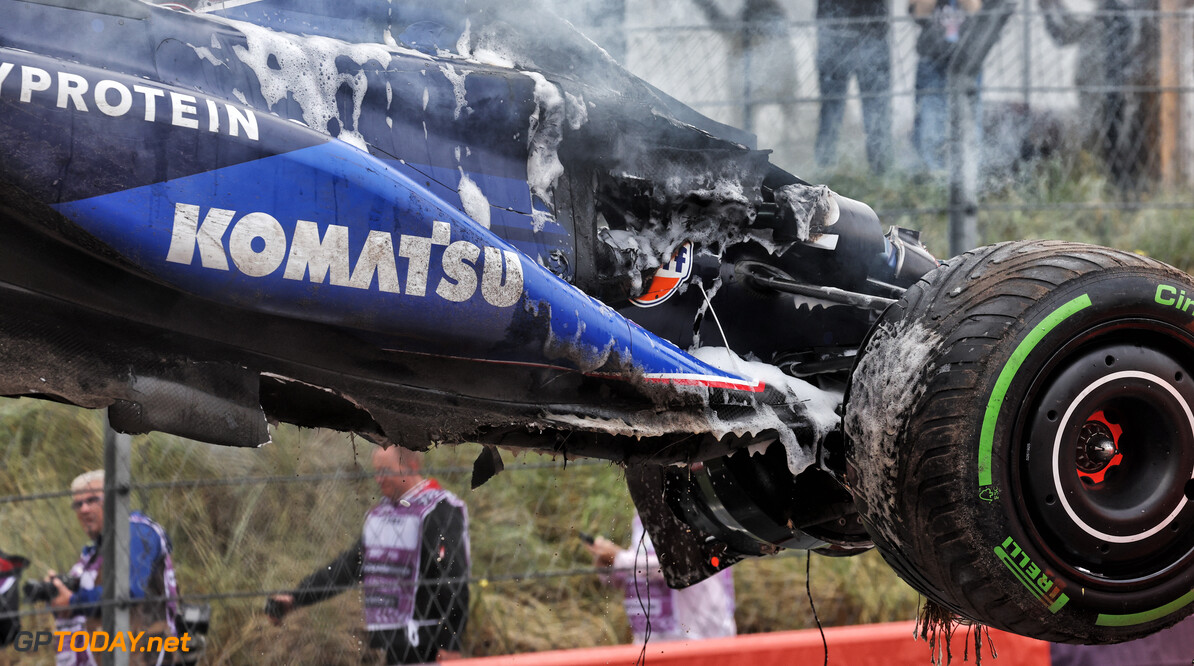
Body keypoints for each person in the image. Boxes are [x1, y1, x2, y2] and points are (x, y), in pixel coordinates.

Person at [267, 446, 470, 665]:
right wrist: (298, 597)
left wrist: (450, 645)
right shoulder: (382, 514)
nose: (379, 479)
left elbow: (454, 580)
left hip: (427, 643)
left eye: (386, 470)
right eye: (376, 471)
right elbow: (350, 567)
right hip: (392, 642)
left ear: (411, 466)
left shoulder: (438, 509)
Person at [49, 470, 180, 666]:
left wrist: (73, 601)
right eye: (78, 504)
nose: (84, 509)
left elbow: (128, 590)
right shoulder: (95, 552)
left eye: (92, 500)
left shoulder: (135, 532)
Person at [1039, 0, 1152, 191]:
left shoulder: (1117, 13)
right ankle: (1109, 187)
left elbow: (1066, 34)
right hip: (1099, 88)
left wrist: (1051, 9)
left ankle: (1115, 187)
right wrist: (1051, 9)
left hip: (1107, 89)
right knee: (1102, 141)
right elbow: (1066, 34)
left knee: (1107, 141)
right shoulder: (1107, 13)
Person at [586, 513, 735, 643]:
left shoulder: (695, 505)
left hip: (699, 636)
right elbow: (635, 570)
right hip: (652, 637)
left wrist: (620, 558)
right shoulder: (642, 513)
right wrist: (607, 565)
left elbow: (681, 565)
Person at [814, 0, 892, 174]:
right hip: (835, 35)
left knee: (876, 108)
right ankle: (824, 171)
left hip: (872, 34)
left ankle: (881, 169)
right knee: (832, 108)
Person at [910, 0, 983, 171]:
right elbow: (919, 12)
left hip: (969, 60)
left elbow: (977, 11)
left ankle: (970, 174)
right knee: (930, 118)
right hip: (932, 58)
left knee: (969, 118)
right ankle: (932, 174)